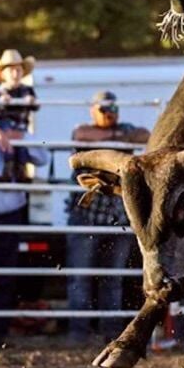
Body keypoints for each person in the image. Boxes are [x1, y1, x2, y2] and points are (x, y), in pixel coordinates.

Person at [66, 90, 150, 345]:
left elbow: (146, 135)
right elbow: (83, 135)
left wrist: (116, 138)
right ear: (93, 110)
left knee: (112, 277)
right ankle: (79, 332)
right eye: (103, 109)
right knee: (81, 275)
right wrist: (118, 141)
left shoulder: (126, 130)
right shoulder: (84, 131)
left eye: (112, 109)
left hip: (118, 218)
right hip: (87, 216)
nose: (108, 114)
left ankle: (110, 331)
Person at [0, 104, 49, 348]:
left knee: (4, 276)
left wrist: (21, 137)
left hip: (9, 214)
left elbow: (42, 157)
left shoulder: (13, 132)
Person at [0, 49, 39, 184]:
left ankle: (21, 171)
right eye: (11, 70)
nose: (15, 74)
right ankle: (8, 170)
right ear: (3, 74)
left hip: (21, 127)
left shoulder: (27, 90)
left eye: (18, 70)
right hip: (4, 126)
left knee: (20, 147)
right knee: (7, 147)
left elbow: (36, 106)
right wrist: (1, 100)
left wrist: (31, 100)